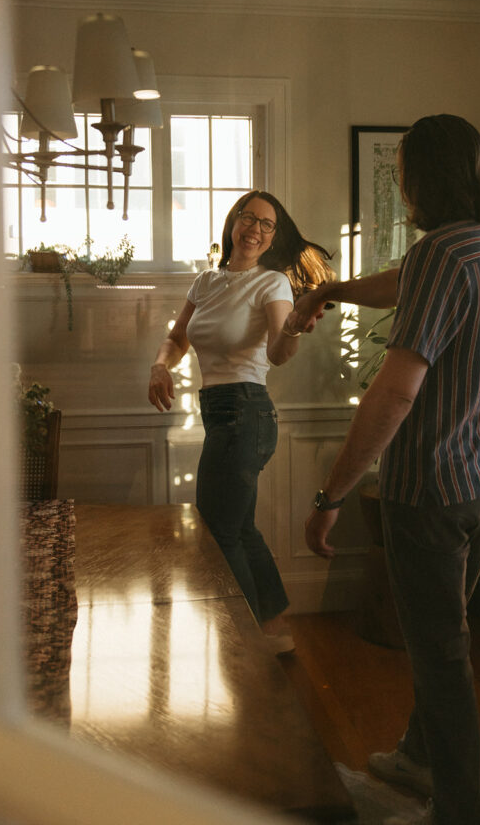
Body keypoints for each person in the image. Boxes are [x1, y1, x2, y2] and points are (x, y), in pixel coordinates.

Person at [289, 115, 480, 825]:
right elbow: (405, 283)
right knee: (447, 634)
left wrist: (328, 494)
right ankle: (418, 758)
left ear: (418, 178)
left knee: (440, 659)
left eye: (401, 171)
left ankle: (456, 810)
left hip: (429, 489)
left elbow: (394, 392)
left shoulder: (439, 253)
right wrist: (328, 291)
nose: (399, 184)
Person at [148, 190, 334, 654]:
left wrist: (292, 328)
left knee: (218, 528)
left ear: (273, 238)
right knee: (240, 527)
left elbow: (276, 352)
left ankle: (247, 636)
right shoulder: (206, 281)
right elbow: (177, 337)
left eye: (267, 224)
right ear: (233, 223)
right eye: (248, 218)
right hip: (221, 413)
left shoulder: (271, 284)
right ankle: (272, 625)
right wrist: (159, 366)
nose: (255, 229)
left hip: (246, 411)